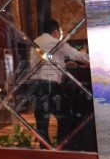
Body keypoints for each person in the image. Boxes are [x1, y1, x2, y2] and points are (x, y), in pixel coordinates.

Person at [28, 18, 90, 147]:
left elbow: (46, 61)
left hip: (35, 85)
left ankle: (45, 151)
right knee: (65, 118)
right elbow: (76, 54)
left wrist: (64, 64)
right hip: (50, 85)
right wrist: (97, 61)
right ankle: (62, 147)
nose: (60, 35)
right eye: (60, 32)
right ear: (55, 31)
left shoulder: (35, 42)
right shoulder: (55, 42)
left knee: (42, 124)